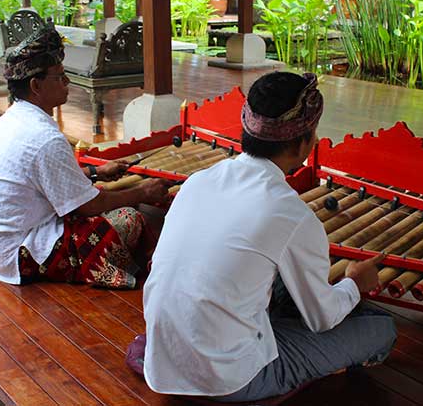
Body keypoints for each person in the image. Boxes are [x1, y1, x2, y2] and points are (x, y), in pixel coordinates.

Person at [142, 71, 397, 402]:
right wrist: (354, 283)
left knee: (276, 281)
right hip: (231, 379)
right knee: (381, 328)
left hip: (162, 364)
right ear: (305, 141)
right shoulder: (292, 214)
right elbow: (322, 319)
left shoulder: (196, 181)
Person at [0, 27, 170, 288]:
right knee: (130, 219)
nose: (67, 83)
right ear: (35, 85)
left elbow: (39, 181)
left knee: (103, 194)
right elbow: (86, 206)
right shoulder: (43, 137)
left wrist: (95, 173)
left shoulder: (14, 119)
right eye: (60, 78)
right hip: (20, 252)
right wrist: (142, 192)